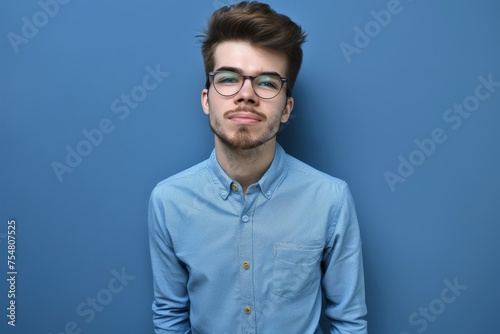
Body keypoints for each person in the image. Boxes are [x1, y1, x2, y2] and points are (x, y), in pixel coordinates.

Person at [148, 2, 367, 333]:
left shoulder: (330, 200)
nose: (245, 94)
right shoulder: (168, 201)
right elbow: (169, 315)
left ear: (286, 108)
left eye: (266, 82)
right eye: (228, 78)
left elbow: (349, 321)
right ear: (207, 99)